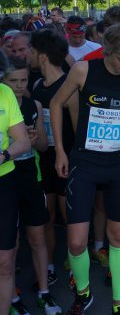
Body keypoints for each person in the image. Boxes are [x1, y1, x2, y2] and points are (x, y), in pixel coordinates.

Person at [50, 21, 120, 315]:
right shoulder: (84, 70)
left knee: (118, 237)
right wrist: (59, 150)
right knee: (76, 241)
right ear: (107, 50)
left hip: (116, 166)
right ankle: (83, 294)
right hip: (84, 163)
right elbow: (56, 104)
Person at [3, 57, 62, 315]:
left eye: (23, 80)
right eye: (13, 80)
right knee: (11, 243)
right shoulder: (4, 101)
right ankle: (12, 296)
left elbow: (43, 145)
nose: (18, 85)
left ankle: (44, 292)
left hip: (31, 176)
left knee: (37, 236)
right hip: (7, 178)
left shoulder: (33, 104)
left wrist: (35, 139)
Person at [30, 29, 78, 288]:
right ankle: (48, 265)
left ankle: (75, 264)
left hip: (66, 162)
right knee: (45, 217)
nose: (28, 55)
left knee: (69, 217)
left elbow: (79, 131)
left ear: (43, 56)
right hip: (43, 161)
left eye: (32, 51)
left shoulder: (69, 88)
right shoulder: (37, 85)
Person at [0, 55, 32, 315]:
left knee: (5, 261)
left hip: (4, 181)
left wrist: (4, 155)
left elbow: (22, 141)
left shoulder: (4, 93)